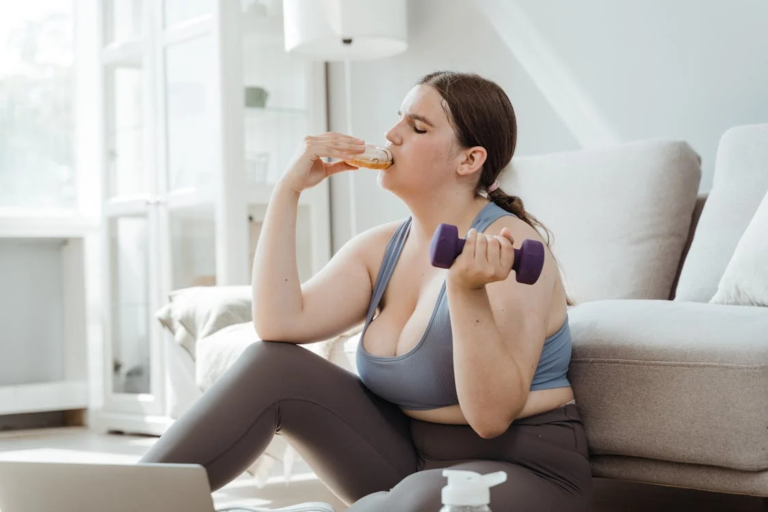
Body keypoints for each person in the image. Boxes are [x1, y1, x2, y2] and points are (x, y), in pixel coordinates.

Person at [138, 71, 592, 512]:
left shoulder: (510, 248)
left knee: (414, 500)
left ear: (469, 160)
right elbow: (279, 323)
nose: (391, 134)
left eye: (417, 127)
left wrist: (466, 290)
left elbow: (492, 418)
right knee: (274, 365)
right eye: (398, 119)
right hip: (407, 464)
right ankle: (126, 499)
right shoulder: (381, 248)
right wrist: (288, 189)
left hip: (518, 469)